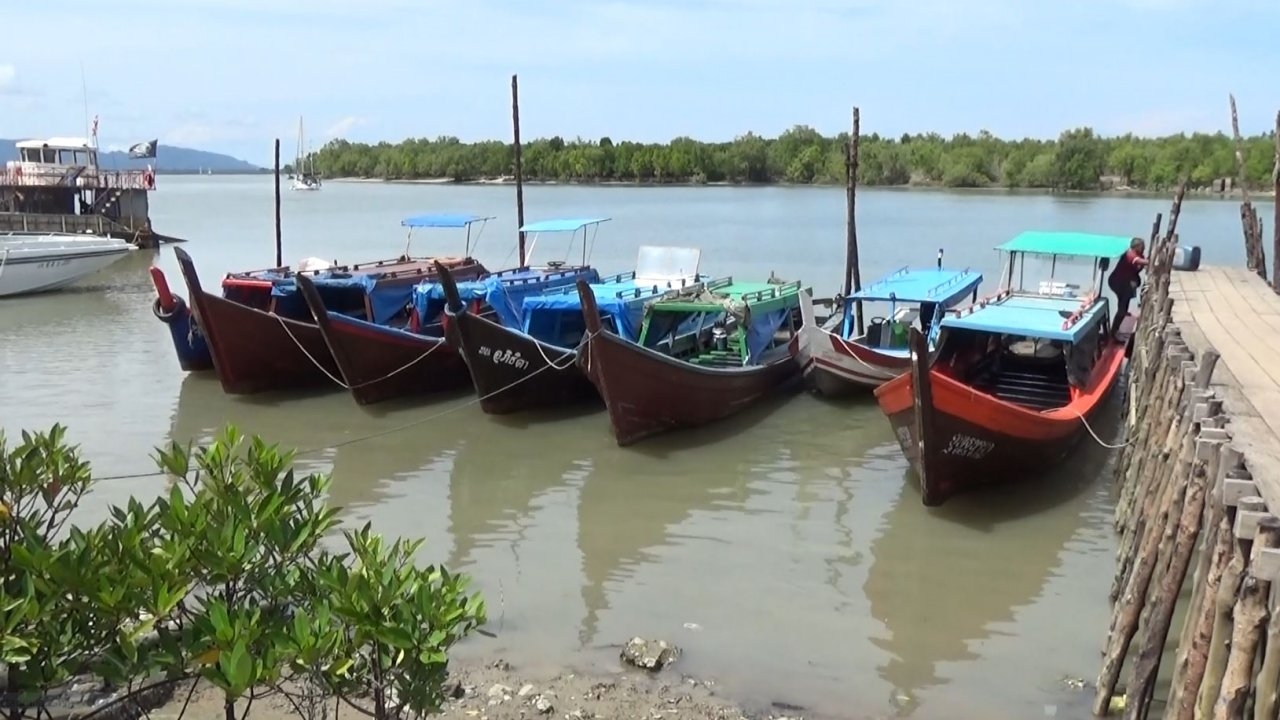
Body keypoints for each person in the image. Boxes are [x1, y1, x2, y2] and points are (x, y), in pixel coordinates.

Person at [1108, 237, 1149, 341]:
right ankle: (1113, 333)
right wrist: (1151, 262)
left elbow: (1140, 263)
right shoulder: (1130, 254)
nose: (1144, 248)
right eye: (1142, 246)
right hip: (1118, 282)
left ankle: (1117, 326)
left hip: (1124, 282)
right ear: (1136, 247)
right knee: (1123, 307)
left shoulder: (1139, 255)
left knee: (1123, 304)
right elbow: (1138, 261)